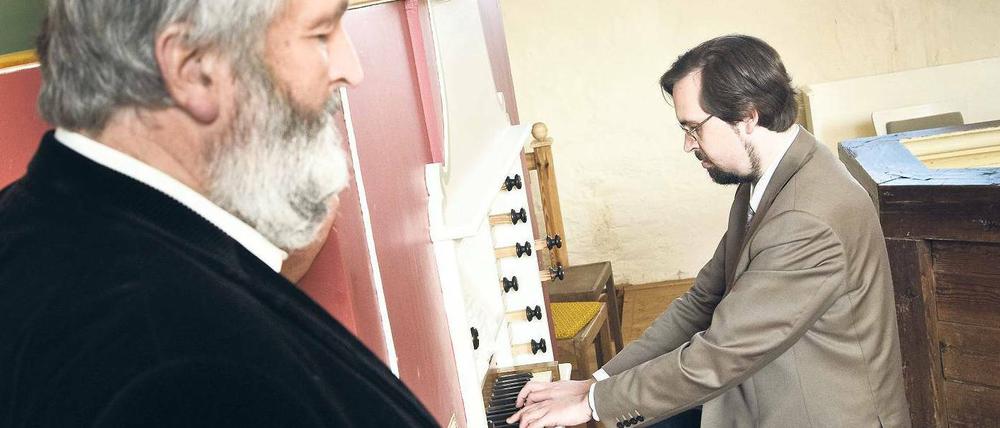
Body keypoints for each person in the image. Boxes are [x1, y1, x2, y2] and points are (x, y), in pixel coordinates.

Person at [0, 0, 437, 426]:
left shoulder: (37, 226)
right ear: (193, 70)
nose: (352, 70)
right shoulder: (192, 373)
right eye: (320, 33)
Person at [507, 35, 911, 428]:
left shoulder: (806, 218)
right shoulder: (769, 175)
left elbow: (721, 354)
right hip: (758, 390)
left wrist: (593, 405)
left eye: (694, 128)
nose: (688, 144)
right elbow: (703, 300)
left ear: (748, 116)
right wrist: (597, 383)